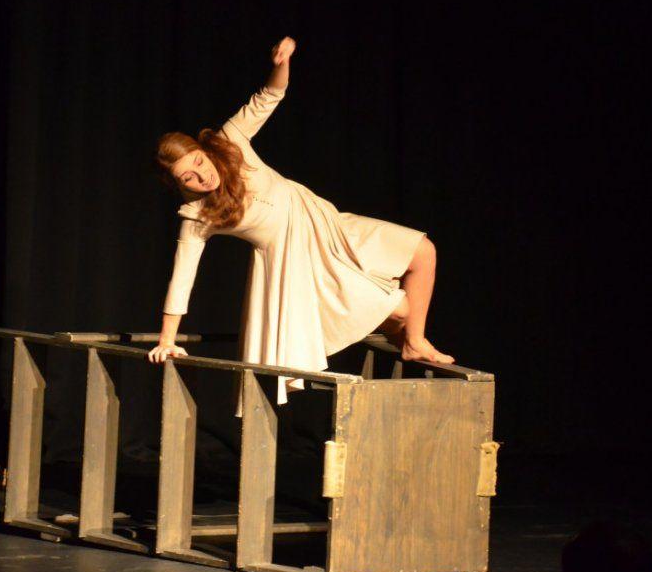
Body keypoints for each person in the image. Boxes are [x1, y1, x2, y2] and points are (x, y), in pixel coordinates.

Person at [147, 36, 454, 405]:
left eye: (198, 162)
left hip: (326, 224)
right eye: (189, 178)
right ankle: (400, 333)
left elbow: (268, 96)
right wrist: (167, 340)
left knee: (422, 251)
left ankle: (415, 341)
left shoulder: (230, 141)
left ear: (202, 150)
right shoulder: (197, 214)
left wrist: (281, 64)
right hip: (295, 260)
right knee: (401, 309)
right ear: (180, 186)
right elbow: (182, 277)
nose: (202, 176)